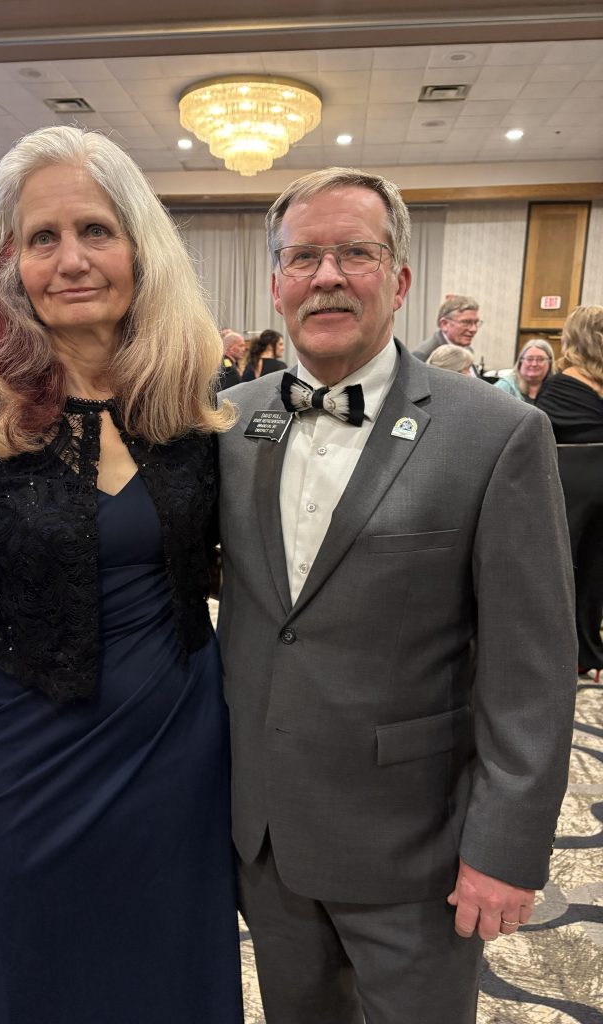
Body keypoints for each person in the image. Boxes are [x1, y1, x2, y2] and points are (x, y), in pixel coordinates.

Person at [0, 125, 243, 1024]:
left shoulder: (187, 398)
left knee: (169, 983)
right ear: (10, 262)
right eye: (42, 237)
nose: (71, 259)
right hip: (36, 766)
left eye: (96, 230)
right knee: (34, 985)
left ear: (139, 249)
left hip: (180, 759)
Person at [216, 166, 577, 1024]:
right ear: (277, 281)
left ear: (401, 279)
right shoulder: (226, 422)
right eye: (303, 257)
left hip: (416, 848)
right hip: (266, 837)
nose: (328, 276)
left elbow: (532, 668)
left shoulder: (496, 433)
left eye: (356, 253)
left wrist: (505, 846)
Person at [536, 305, 603, 677]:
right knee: (591, 573)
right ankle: (587, 651)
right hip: (587, 492)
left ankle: (570, 650)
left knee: (569, 572)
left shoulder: (561, 383)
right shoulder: (573, 383)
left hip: (571, 492)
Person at [411, 295, 481, 362]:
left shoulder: (466, 349)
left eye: (476, 323)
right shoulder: (423, 355)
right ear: (444, 324)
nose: (474, 329)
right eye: (466, 322)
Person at [493, 338, 555, 403]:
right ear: (521, 361)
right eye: (529, 359)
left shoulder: (556, 389)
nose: (534, 364)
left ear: (550, 362)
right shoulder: (504, 387)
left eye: (540, 359)